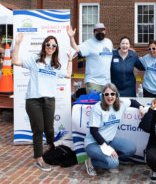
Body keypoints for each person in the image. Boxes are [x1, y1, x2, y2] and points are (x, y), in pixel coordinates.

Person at [12, 33, 73, 171]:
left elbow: (68, 75)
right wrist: (17, 43)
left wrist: (70, 60)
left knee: (49, 129)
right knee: (38, 129)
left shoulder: (56, 65)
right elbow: (15, 61)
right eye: (48, 44)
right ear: (44, 45)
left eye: (53, 45)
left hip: (49, 100)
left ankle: (51, 147)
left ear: (56, 48)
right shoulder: (35, 60)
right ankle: (39, 158)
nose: (50, 47)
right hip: (33, 100)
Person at [84, 83, 144, 176]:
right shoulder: (97, 108)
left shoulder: (121, 104)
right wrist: (107, 148)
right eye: (106, 94)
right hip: (93, 143)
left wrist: (140, 107)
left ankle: (111, 159)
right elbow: (93, 131)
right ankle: (91, 161)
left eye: (112, 94)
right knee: (114, 164)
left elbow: (133, 101)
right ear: (103, 96)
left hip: (110, 140)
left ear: (116, 95)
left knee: (131, 149)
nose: (109, 97)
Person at [67, 23, 113, 94]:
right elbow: (76, 49)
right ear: (94, 32)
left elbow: (114, 53)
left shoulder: (109, 42)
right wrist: (71, 37)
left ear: (105, 31)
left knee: (105, 104)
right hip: (93, 82)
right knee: (94, 103)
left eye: (102, 30)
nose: (100, 32)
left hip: (107, 82)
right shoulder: (89, 43)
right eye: (97, 31)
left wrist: (127, 49)